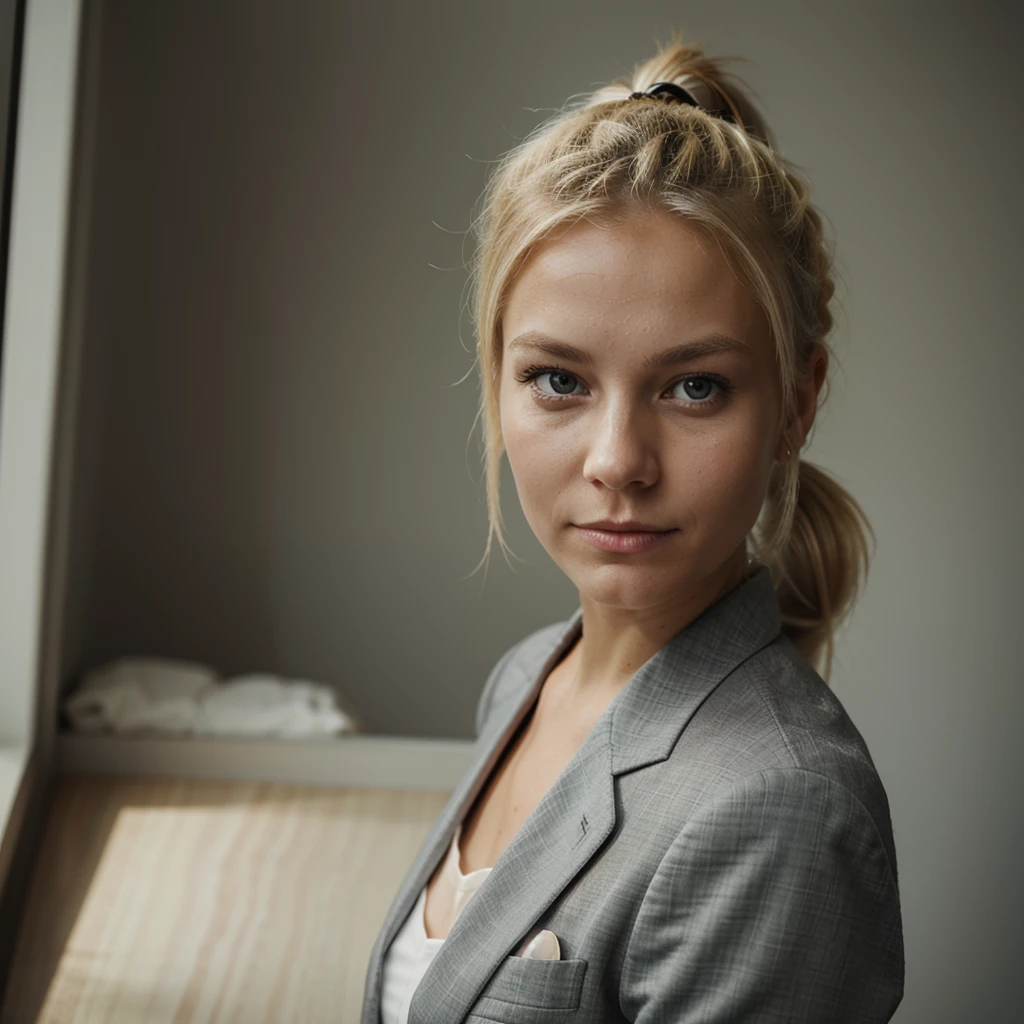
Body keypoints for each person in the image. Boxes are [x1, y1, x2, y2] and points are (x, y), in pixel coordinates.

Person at [362, 28, 904, 1024]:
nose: (617, 458)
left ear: (794, 404)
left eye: (694, 386)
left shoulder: (777, 807)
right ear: (497, 382)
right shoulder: (526, 678)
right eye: (557, 380)